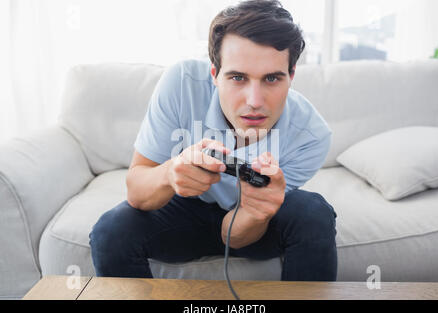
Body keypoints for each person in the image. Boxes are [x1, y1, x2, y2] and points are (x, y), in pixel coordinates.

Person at [89, 0, 338, 281]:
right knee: (112, 229)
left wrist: (256, 212)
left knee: (313, 213)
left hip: (254, 223)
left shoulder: (311, 135)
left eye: (271, 78)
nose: (254, 102)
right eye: (237, 77)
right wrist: (171, 173)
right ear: (215, 75)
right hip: (184, 207)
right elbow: (136, 189)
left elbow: (234, 237)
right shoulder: (181, 83)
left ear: (291, 76)